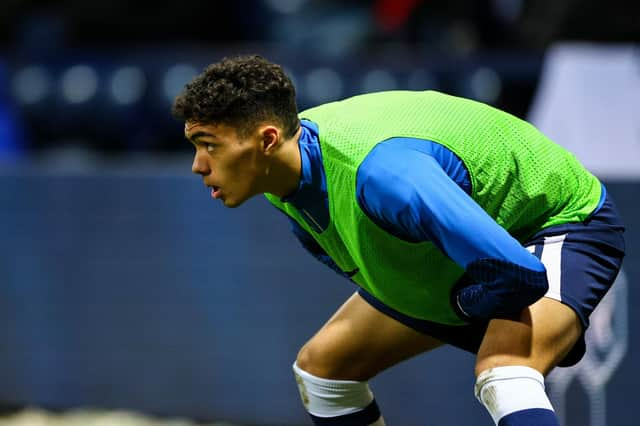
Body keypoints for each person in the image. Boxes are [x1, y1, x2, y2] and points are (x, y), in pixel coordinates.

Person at [172, 55, 625, 426]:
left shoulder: (386, 179)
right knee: (323, 373)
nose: (198, 164)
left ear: (267, 139)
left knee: (504, 372)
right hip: (476, 243)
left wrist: (465, 309)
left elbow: (519, 274)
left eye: (208, 144)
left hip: (557, 220)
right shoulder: (280, 177)